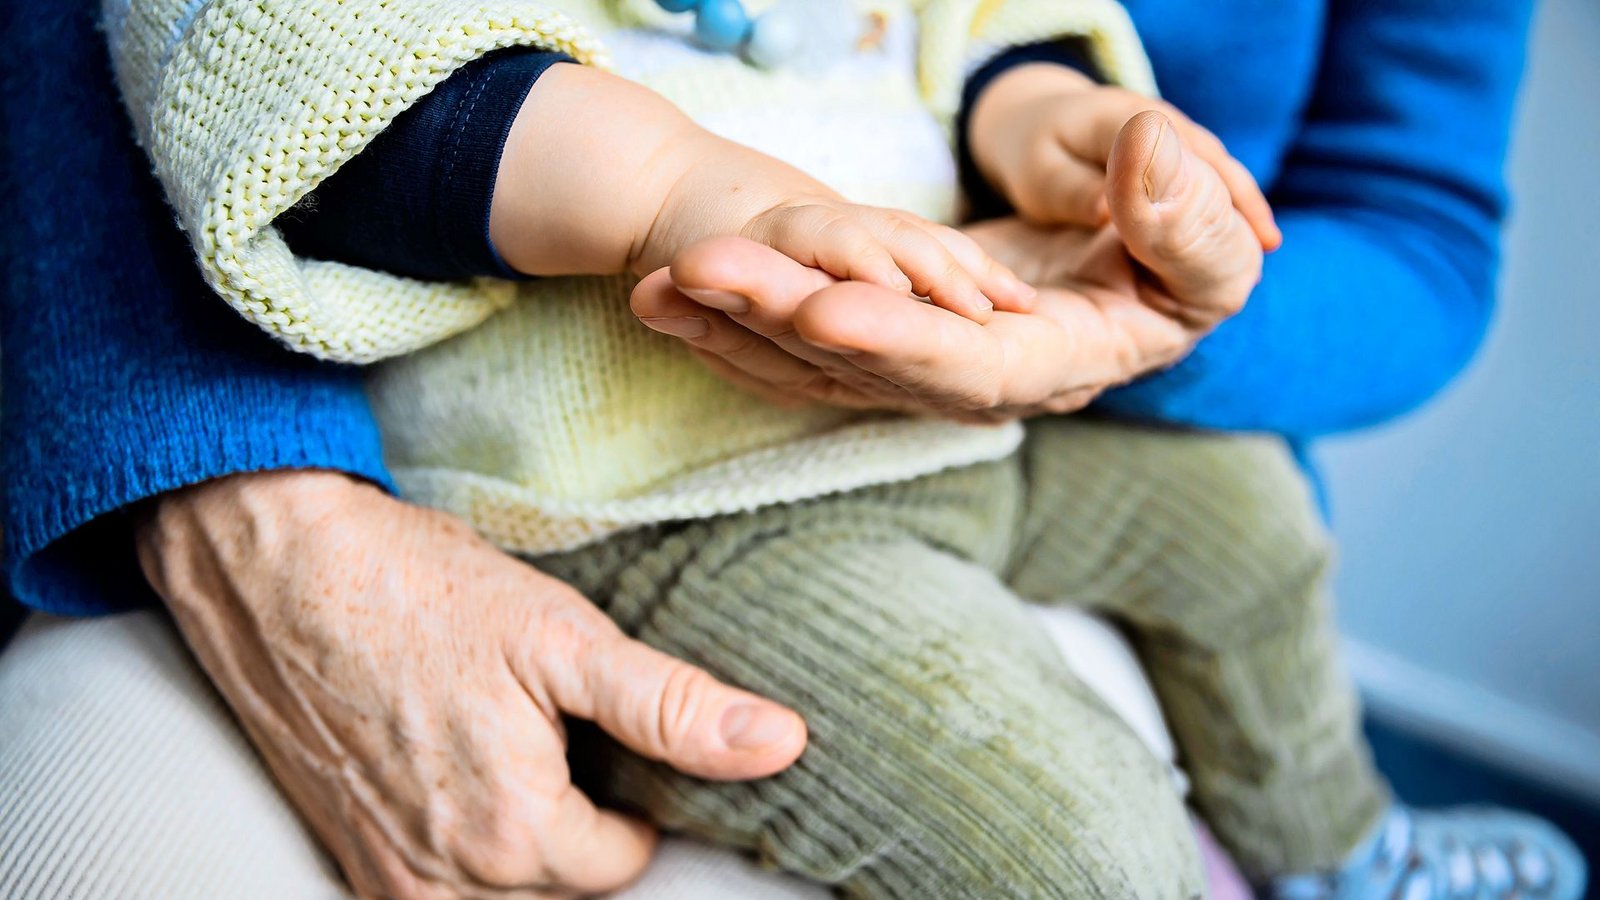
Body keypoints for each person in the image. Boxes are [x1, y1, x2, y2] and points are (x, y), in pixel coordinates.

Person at [0, 3, 1583, 900]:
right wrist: (689, 197)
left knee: (1248, 532)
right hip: (673, 516)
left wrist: (1071, 151)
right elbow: (340, 87)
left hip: (989, 412)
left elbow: (973, 45)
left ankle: (1333, 841)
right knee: (1069, 836)